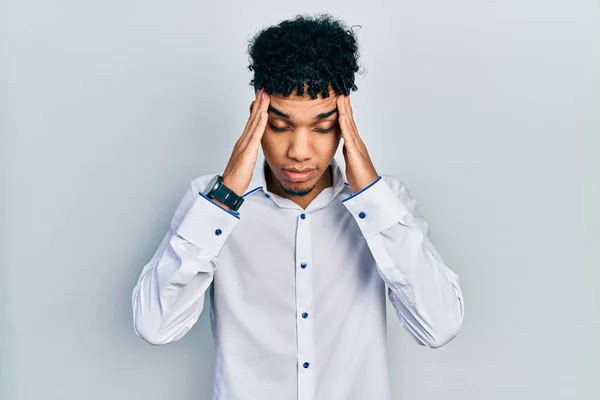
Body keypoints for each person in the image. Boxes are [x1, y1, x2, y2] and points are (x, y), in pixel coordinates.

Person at [131, 14, 464, 400]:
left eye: (322, 128)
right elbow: (155, 326)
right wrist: (224, 200)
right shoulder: (208, 206)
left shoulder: (387, 203)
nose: (300, 152)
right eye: (280, 126)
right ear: (256, 118)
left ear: (345, 122)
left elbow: (439, 326)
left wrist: (371, 196)